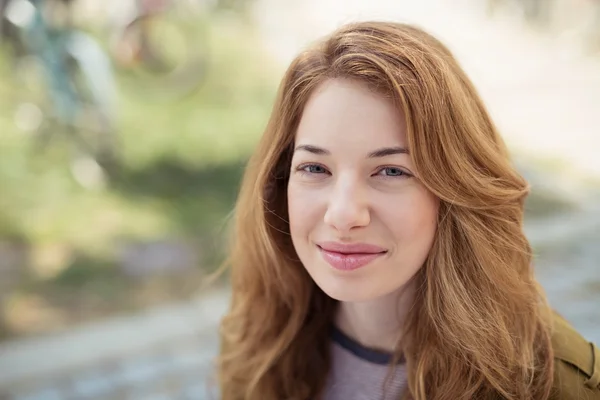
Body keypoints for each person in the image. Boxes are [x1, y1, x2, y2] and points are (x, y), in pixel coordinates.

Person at [216, 21, 600, 400]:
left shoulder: (549, 384)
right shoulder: (261, 342)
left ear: (455, 189)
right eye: (315, 168)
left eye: (391, 171)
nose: (344, 214)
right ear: (280, 180)